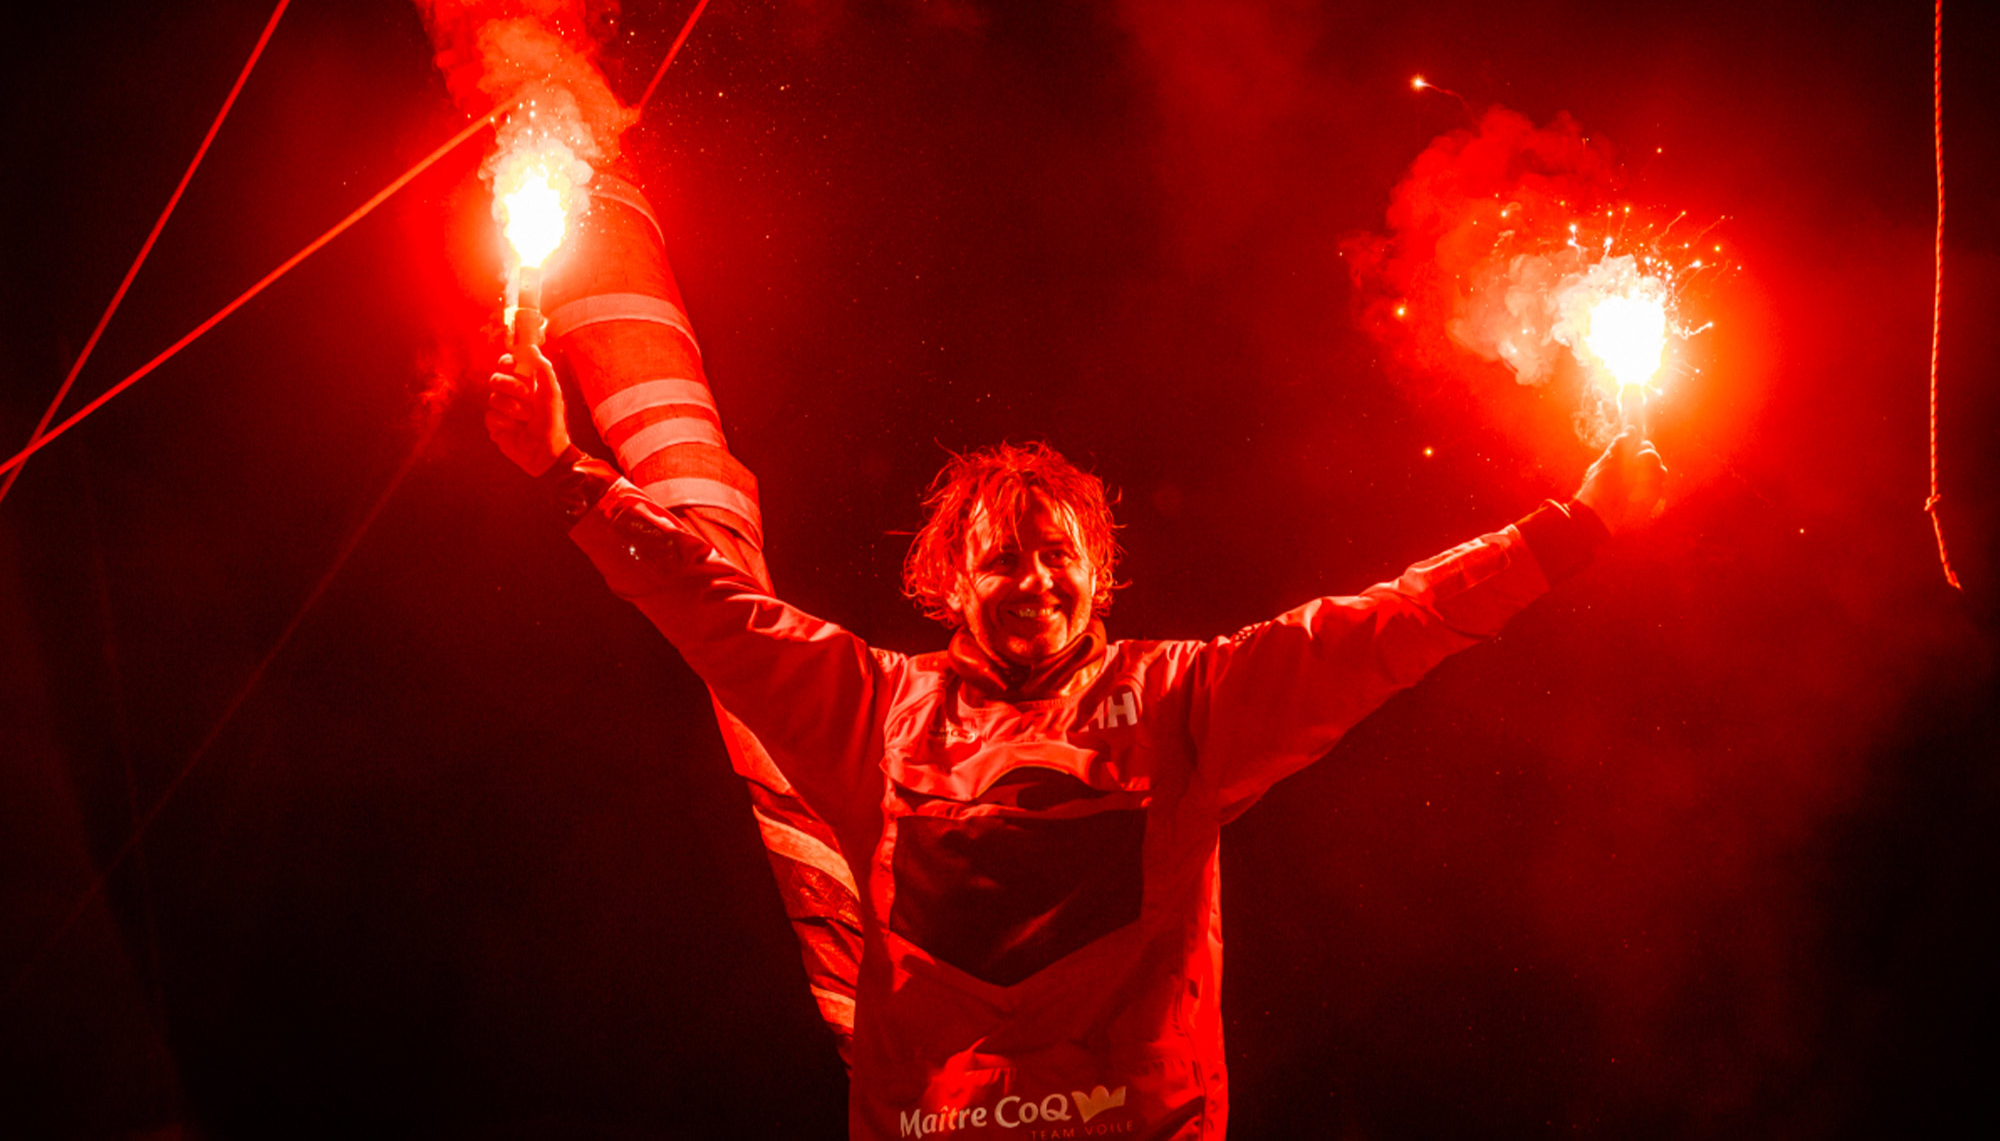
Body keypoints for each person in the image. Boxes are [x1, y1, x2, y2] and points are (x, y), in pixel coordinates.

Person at [487, 343, 1665, 1140]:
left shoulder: (1183, 703)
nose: (1033, 580)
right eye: (1001, 555)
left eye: (1057, 556)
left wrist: (1573, 527)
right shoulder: (869, 707)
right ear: (948, 581)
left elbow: (1384, 627)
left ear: (1099, 575)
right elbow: (709, 605)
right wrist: (561, 469)